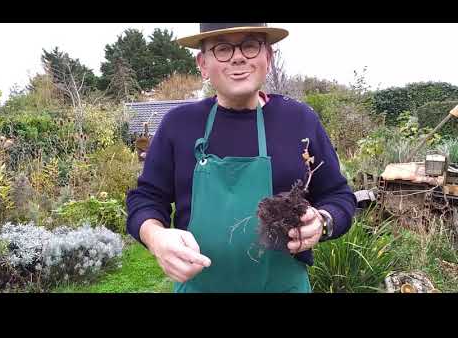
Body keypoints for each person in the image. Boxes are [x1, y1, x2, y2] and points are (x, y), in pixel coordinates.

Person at [126, 23, 357, 293]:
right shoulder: (179, 125)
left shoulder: (299, 120)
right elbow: (146, 198)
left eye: (249, 45)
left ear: (268, 57)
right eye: (222, 48)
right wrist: (155, 236)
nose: (238, 57)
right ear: (203, 63)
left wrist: (324, 221)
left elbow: (339, 195)